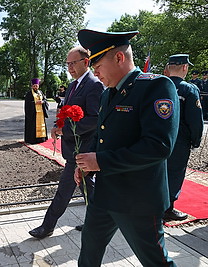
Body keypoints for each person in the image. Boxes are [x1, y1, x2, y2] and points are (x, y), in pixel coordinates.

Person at [74, 29, 179, 266]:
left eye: (98, 64)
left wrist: (100, 161)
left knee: (156, 261)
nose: (94, 71)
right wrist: (86, 163)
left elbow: (158, 146)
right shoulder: (107, 94)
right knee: (89, 251)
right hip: (105, 194)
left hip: (137, 200)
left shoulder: (156, 87)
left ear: (119, 58)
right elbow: (103, 136)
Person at [29, 46, 103, 239]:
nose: (69, 67)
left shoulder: (94, 84)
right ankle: (102, 220)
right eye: (67, 63)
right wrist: (57, 125)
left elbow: (95, 119)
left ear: (86, 62)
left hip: (84, 149)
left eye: (73, 63)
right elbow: (66, 111)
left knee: (65, 190)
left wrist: (67, 129)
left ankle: (48, 226)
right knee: (88, 189)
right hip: (73, 148)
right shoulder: (72, 86)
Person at [163, 55, 204, 221]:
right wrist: (196, 140)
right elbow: (195, 120)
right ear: (185, 68)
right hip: (179, 140)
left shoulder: (159, 86)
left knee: (159, 171)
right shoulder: (189, 89)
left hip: (158, 138)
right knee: (174, 173)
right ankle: (168, 209)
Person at [24, 78, 49, 144]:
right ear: (32, 86)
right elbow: (27, 103)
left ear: (38, 86)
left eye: (36, 86)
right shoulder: (29, 94)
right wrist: (35, 103)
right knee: (33, 126)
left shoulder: (41, 93)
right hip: (33, 113)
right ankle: (32, 139)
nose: (35, 87)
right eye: (34, 86)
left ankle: (41, 138)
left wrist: (43, 102)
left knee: (42, 125)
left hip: (41, 113)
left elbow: (45, 100)